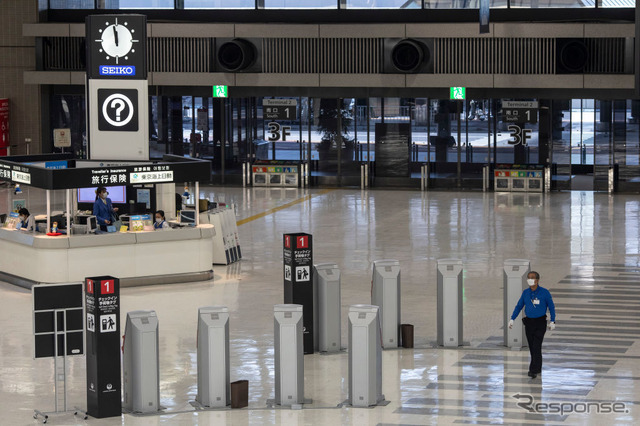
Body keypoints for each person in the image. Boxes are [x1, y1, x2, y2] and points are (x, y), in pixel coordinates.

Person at [509, 271, 556, 379]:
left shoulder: (544, 293)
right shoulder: (525, 293)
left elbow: (551, 307)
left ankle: (533, 369)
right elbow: (519, 306)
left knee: (536, 346)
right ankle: (538, 367)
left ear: (537, 280)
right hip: (529, 323)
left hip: (540, 323)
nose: (530, 280)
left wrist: (552, 321)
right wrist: (512, 318)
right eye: (528, 278)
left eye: (532, 278)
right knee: (532, 347)